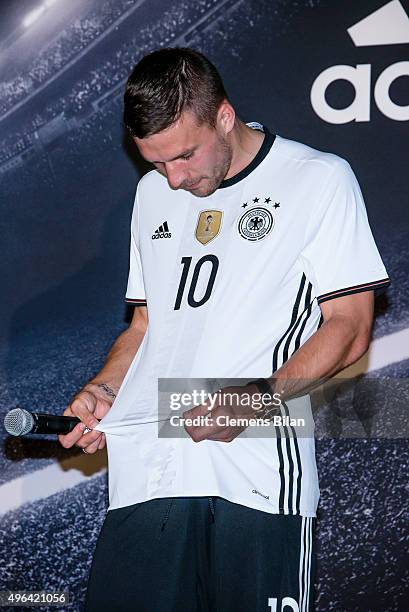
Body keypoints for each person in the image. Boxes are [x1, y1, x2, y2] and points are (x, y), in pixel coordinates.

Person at [58, 48, 390, 611]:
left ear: (225, 117)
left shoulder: (318, 180)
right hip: (149, 474)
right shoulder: (151, 195)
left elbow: (351, 327)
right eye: (155, 163)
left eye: (184, 156)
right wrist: (105, 389)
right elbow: (144, 324)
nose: (174, 177)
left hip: (255, 473)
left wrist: (258, 399)